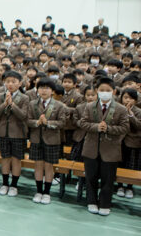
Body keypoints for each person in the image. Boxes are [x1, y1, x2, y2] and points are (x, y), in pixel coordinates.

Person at [77, 77, 130, 215]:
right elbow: (82, 123)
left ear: (114, 91)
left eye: (108, 90)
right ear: (97, 91)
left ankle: (105, 204)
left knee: (108, 179)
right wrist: (96, 127)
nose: (104, 93)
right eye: (101, 90)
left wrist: (108, 129)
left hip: (111, 150)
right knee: (91, 177)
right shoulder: (90, 106)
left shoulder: (121, 109)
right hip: (91, 148)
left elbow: (124, 128)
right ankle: (92, 202)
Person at [26, 79, 67, 205]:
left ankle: (47, 193)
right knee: (38, 165)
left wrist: (48, 123)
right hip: (36, 139)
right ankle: (39, 191)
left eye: (47, 88)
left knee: (49, 166)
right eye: (41, 88)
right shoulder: (32, 104)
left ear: (52, 91)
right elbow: (27, 120)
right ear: (37, 90)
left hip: (52, 140)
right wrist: (36, 123)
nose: (44, 90)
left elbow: (62, 123)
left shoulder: (59, 106)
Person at [0, 71, 29, 197]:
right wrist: (5, 104)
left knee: (16, 159)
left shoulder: (24, 98)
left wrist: (12, 104)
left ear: (20, 83)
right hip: (2, 132)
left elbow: (23, 115)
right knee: (5, 158)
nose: (10, 84)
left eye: (14, 81)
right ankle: (5, 183)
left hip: (18, 133)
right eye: (8, 81)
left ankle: (14, 185)